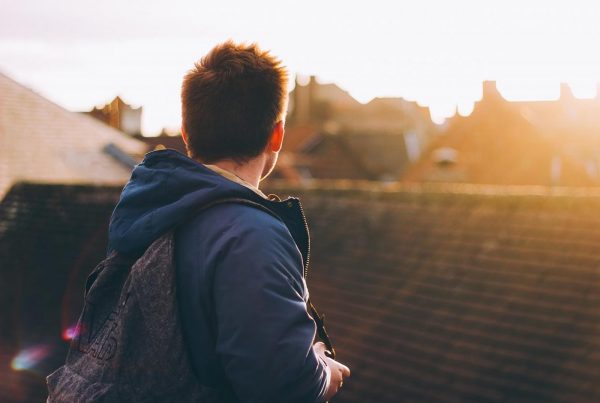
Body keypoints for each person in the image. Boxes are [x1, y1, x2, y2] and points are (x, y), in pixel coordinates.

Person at [107, 41, 350, 402]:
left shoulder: (146, 211)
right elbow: (283, 389)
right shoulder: (252, 237)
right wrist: (323, 371)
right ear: (277, 134)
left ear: (186, 132)